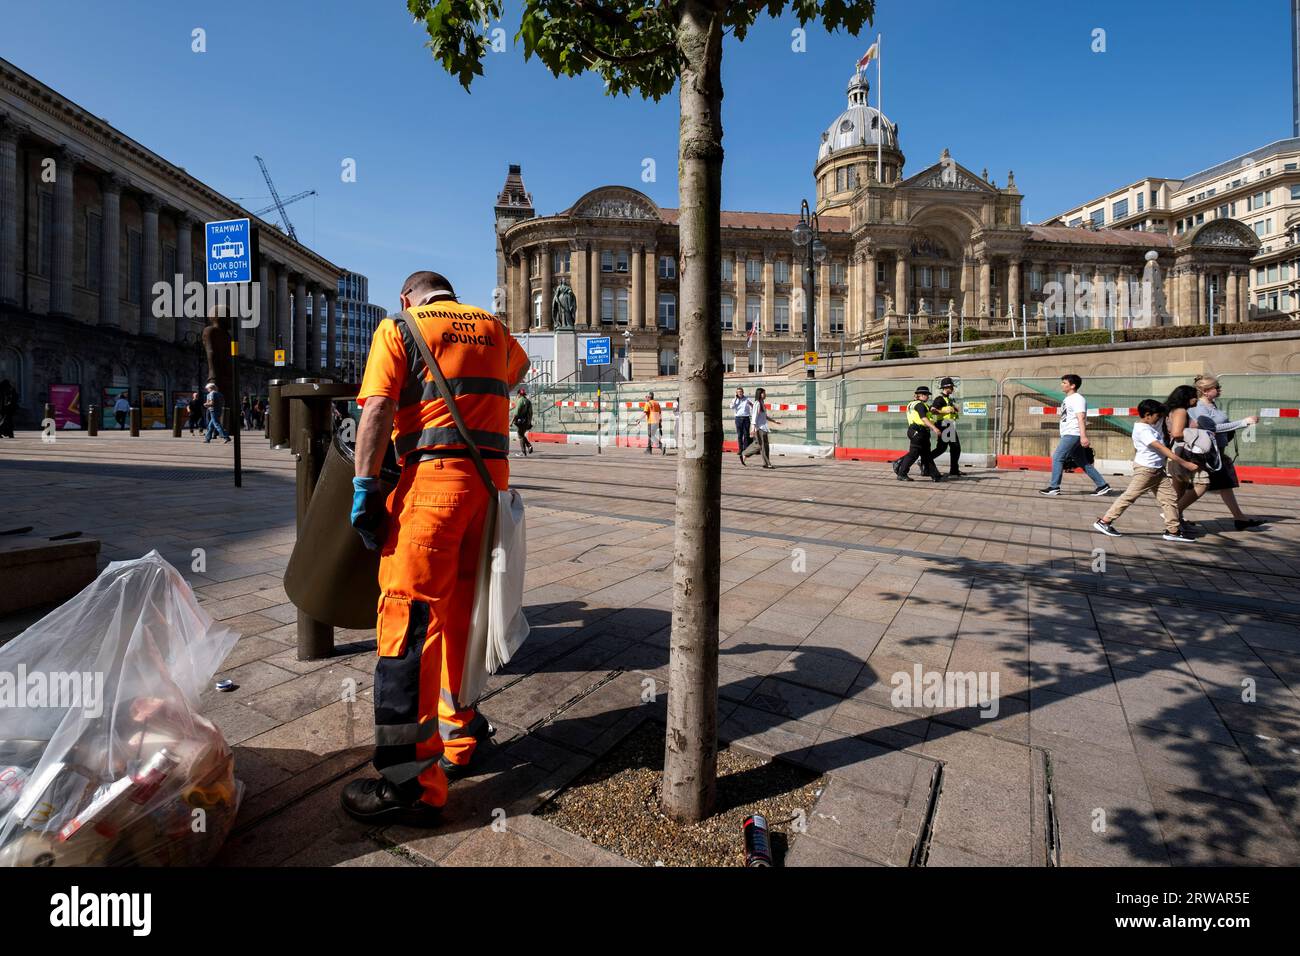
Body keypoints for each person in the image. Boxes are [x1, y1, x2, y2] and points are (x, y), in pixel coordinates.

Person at [344, 269, 528, 826]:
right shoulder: (493, 327)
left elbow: (374, 410)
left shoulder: (398, 327)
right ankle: (460, 737)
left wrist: (365, 487)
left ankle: (409, 784)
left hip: (432, 491)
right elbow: (513, 376)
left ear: (408, 297)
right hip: (489, 490)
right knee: (460, 619)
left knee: (406, 625)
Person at [1092, 400, 1199, 543]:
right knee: (1129, 496)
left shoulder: (1149, 426)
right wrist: (1185, 463)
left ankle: (1173, 531)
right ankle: (1104, 522)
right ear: (1147, 415)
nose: (1159, 419)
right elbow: (1161, 448)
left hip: (1157, 470)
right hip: (1146, 471)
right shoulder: (1143, 430)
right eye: (1158, 416)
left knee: (1169, 498)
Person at [1175, 374, 1264, 532]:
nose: (1219, 390)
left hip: (1217, 451)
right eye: (1216, 387)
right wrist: (1243, 422)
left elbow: (1219, 426)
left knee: (1225, 484)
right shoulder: (1198, 408)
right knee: (1200, 486)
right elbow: (1211, 428)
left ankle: (1239, 518)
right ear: (1205, 390)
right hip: (1206, 453)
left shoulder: (1213, 405)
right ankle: (1173, 514)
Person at [1039, 373, 1112, 497]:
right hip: (1069, 433)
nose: (1061, 385)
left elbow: (1081, 417)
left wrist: (1083, 436)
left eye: (1064, 383)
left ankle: (1054, 487)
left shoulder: (1078, 399)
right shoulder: (1068, 399)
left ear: (1072, 386)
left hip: (1073, 434)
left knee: (1058, 457)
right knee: (1082, 461)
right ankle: (1102, 486)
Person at [893, 385, 944, 482]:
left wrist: (938, 411)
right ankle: (901, 472)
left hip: (917, 431)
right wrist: (934, 428)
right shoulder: (920, 405)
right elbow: (923, 419)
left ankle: (935, 475)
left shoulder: (912, 404)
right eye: (925, 394)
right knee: (913, 454)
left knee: (926, 454)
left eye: (928, 394)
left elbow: (929, 412)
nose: (927, 396)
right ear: (918, 395)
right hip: (918, 431)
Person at [930, 376, 962, 477]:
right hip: (944, 424)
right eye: (951, 387)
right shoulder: (939, 399)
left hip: (948, 424)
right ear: (946, 387)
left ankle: (954, 470)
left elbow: (951, 410)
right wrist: (943, 410)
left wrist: (955, 409)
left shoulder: (949, 399)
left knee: (950, 448)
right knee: (950, 448)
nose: (953, 389)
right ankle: (924, 460)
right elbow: (932, 409)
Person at [740, 386, 779, 467]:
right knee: (764, 446)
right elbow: (754, 417)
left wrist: (774, 421)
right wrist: (753, 429)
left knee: (759, 445)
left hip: (763, 427)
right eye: (764, 393)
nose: (765, 394)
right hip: (760, 428)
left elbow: (764, 416)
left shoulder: (762, 403)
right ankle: (767, 464)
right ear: (760, 394)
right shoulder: (757, 403)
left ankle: (744, 454)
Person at [512, 386, 534, 457]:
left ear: (519, 394)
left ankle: (523, 452)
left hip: (520, 421)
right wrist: (529, 422)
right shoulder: (528, 401)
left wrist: (511, 422)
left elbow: (516, 413)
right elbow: (531, 413)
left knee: (520, 435)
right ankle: (528, 446)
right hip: (527, 421)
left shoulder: (520, 400)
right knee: (521, 434)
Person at [731, 386, 752, 457]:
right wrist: (735, 399)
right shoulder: (734, 400)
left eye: (741, 392)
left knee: (746, 434)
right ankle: (740, 449)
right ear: (736, 393)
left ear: (743, 392)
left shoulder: (747, 399)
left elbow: (752, 406)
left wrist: (751, 405)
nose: (740, 393)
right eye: (738, 392)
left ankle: (746, 450)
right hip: (738, 418)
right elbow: (731, 407)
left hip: (746, 418)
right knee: (740, 435)